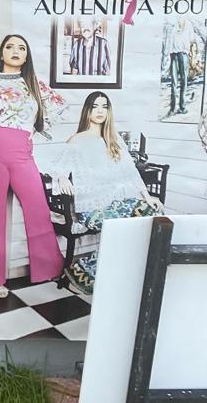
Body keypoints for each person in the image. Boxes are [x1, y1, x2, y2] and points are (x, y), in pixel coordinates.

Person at [0, 34, 66, 297]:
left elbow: (58, 107)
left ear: (26, 56)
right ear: (1, 53)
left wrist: (33, 130)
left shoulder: (35, 84)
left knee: (38, 208)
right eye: (10, 47)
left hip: (23, 154)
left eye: (21, 48)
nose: (16, 51)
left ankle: (48, 268)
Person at [50, 90, 162, 295]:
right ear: (87, 111)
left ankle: (87, 272)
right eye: (95, 107)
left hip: (115, 204)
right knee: (129, 228)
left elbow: (131, 172)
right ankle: (88, 274)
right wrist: (62, 177)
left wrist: (147, 197)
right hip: (92, 209)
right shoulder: (77, 140)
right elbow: (58, 169)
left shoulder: (114, 139)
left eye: (104, 106)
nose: (100, 111)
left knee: (152, 214)